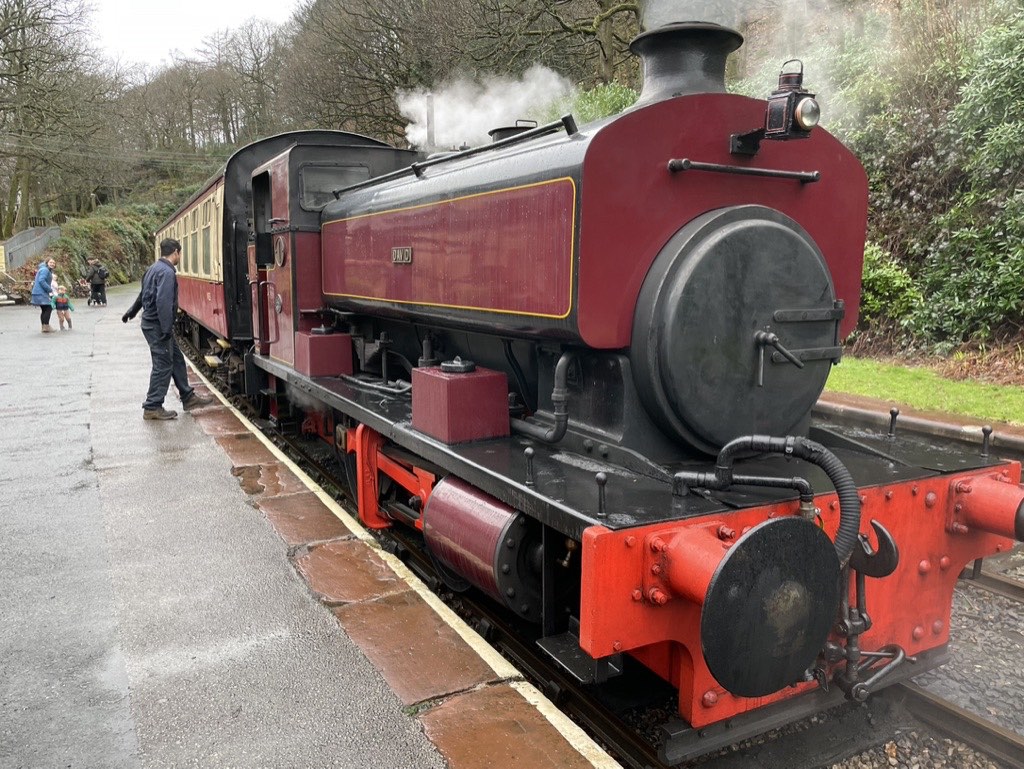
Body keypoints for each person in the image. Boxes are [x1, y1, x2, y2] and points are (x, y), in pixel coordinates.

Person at [138, 238, 212, 420]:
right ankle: (153, 405)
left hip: (152, 323)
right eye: (180, 253)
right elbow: (163, 302)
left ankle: (188, 397)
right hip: (157, 325)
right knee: (162, 364)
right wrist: (165, 329)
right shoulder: (167, 272)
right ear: (176, 252)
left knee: (177, 359)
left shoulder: (153, 268)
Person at [31, 258, 57, 333]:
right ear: (47, 262)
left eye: (54, 263)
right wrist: (49, 289)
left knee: (44, 309)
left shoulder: (44, 269)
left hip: (38, 292)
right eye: (51, 262)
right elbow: (41, 280)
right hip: (41, 292)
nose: (52, 264)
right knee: (49, 308)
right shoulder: (45, 270)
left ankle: (44, 326)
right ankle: (46, 326)